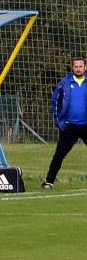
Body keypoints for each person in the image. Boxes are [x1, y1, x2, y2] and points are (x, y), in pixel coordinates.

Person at [42, 57, 87, 189]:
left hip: (86, 125)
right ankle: (49, 181)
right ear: (72, 68)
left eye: (81, 66)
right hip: (69, 126)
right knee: (59, 154)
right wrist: (59, 122)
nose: (78, 69)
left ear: (85, 67)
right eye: (76, 66)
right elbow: (55, 102)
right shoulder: (65, 83)